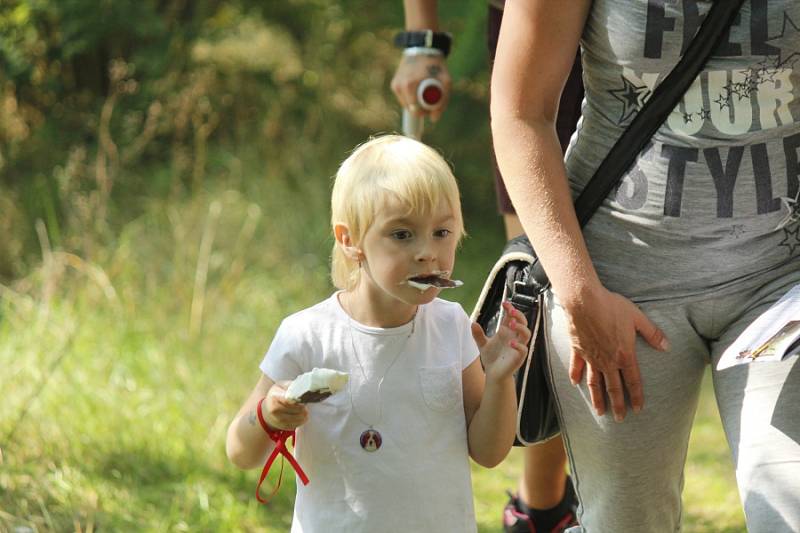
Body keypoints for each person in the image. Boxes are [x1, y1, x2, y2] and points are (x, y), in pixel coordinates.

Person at [491, 1, 800, 531]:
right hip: (615, 285)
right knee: (626, 521)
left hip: (780, 279)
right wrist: (580, 294)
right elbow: (521, 112)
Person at [226, 134, 533, 532]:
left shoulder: (452, 326)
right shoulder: (307, 334)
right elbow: (240, 451)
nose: (427, 252)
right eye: (402, 234)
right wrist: (268, 414)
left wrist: (499, 380)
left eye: (442, 233)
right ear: (350, 240)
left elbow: (489, 452)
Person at [391, 2, 584, 532]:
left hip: (661, 33)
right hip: (532, 23)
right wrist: (421, 40)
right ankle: (542, 509)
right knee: (544, 282)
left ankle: (554, 503)